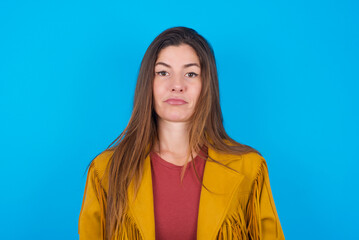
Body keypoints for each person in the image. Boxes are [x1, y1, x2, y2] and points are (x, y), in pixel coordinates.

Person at [78, 26, 285, 240]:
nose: (177, 85)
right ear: (148, 83)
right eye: (163, 72)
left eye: (191, 74)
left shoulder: (250, 169)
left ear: (207, 85)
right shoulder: (106, 171)